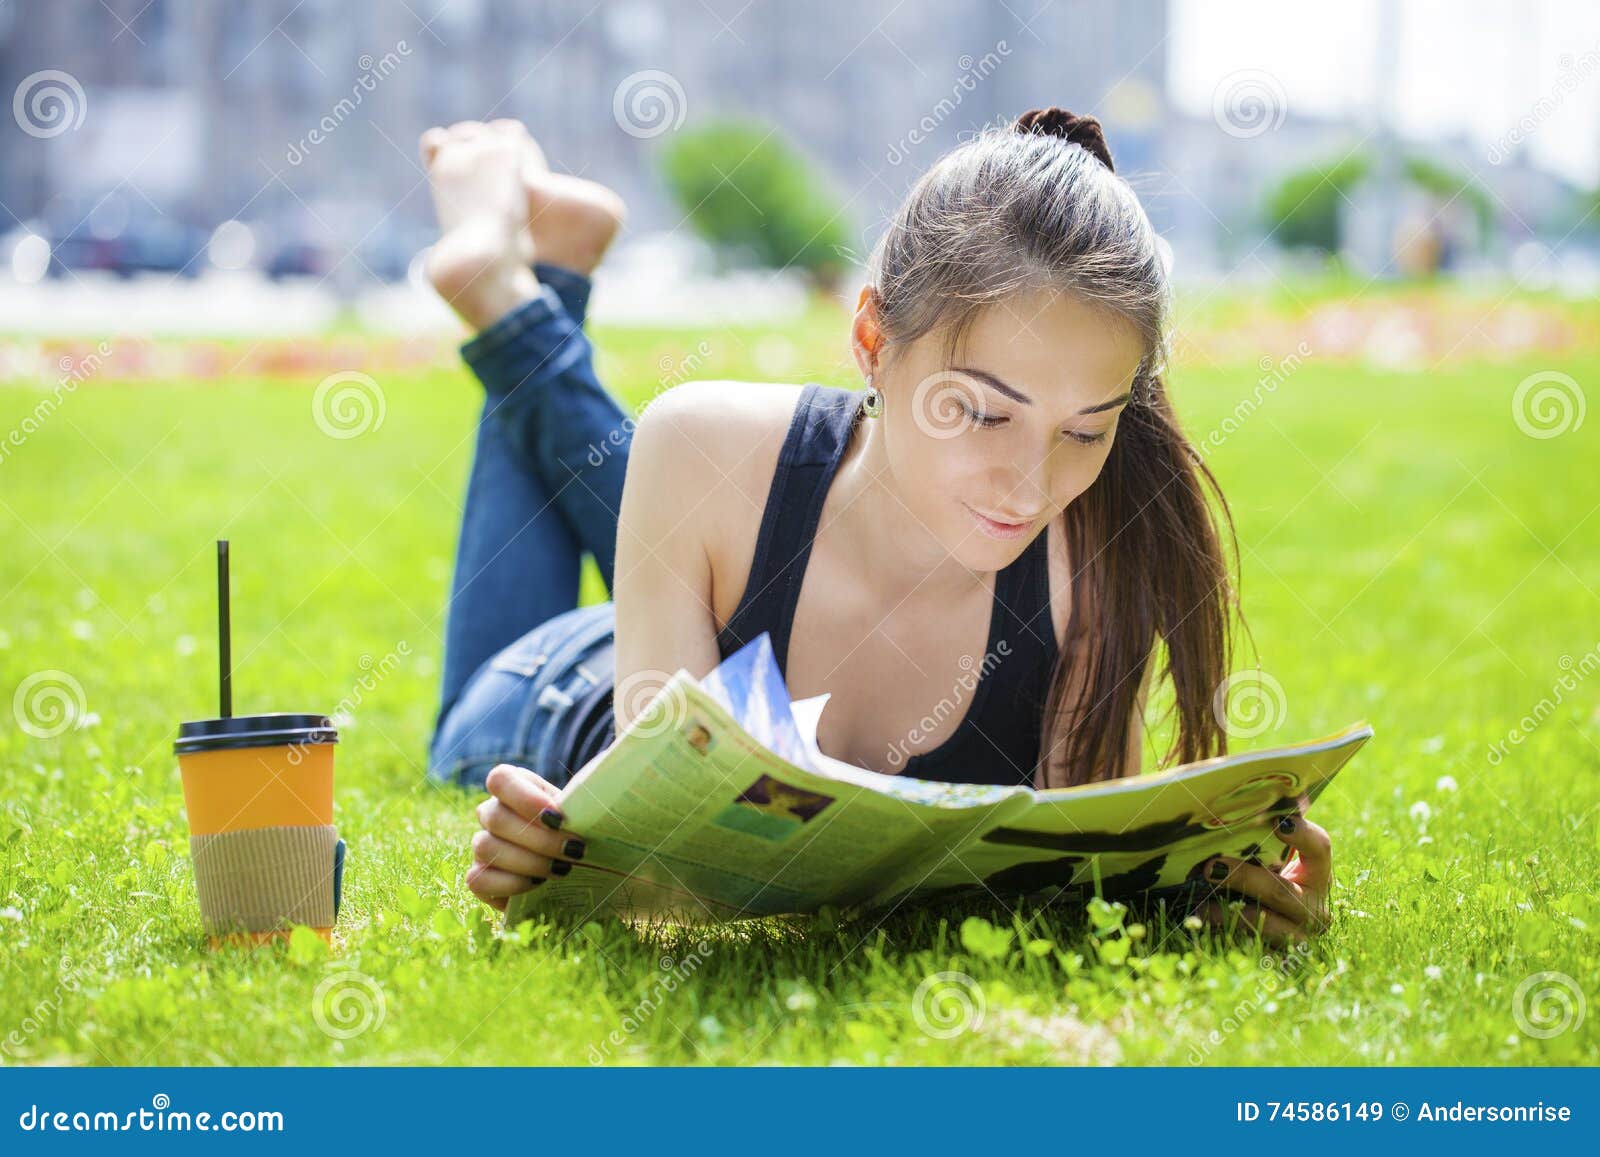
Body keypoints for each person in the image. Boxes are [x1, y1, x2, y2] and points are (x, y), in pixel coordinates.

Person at [419, 110, 1333, 947]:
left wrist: (1215, 899)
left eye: (1085, 429)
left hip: (738, 550)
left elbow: (1083, 882)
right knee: (697, 497)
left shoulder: (1091, 562)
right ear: (871, 341)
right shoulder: (697, 439)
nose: (1029, 485)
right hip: (548, 684)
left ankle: (536, 287)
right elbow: (674, 862)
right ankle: (512, 297)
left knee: (754, 503)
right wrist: (567, 859)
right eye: (980, 413)